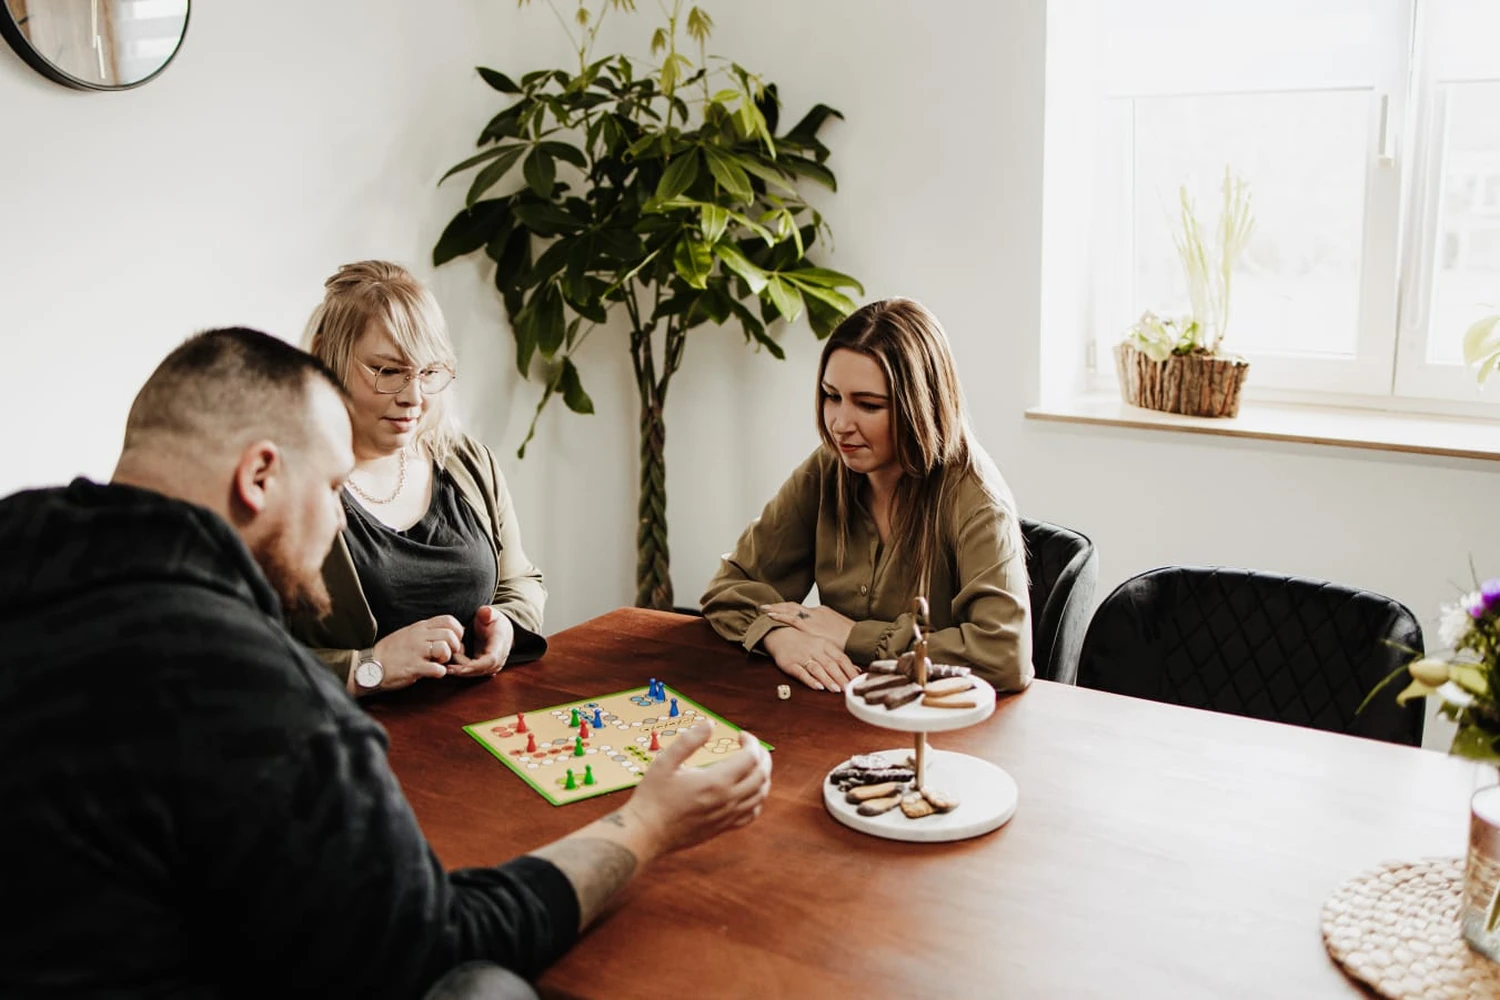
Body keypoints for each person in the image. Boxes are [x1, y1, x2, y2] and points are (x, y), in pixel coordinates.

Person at [0, 328, 772, 998]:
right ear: (259, 476)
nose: (339, 516)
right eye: (334, 485)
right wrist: (647, 824)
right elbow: (436, 942)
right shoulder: (265, 700)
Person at [700, 298, 1033, 694]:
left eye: (868, 404)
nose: (840, 424)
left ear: (920, 406)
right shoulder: (827, 470)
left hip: (937, 728)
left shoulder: (977, 500)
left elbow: (1005, 655)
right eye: (831, 396)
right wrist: (779, 636)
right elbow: (728, 587)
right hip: (841, 710)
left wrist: (854, 636)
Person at [289, 260, 547, 698]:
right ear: (323, 359)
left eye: (428, 373)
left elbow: (521, 581)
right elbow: (239, 660)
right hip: (347, 746)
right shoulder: (284, 487)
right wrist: (368, 669)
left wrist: (506, 626)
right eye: (388, 372)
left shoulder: (467, 460)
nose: (413, 398)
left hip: (477, 726)